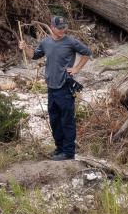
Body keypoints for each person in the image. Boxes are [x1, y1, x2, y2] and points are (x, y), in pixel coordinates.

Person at [18, 15, 92, 161]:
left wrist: (76, 68)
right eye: (59, 28)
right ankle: (59, 148)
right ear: (52, 27)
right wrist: (25, 48)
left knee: (67, 120)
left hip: (65, 86)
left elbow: (87, 53)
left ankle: (68, 152)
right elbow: (34, 55)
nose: (63, 30)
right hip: (51, 87)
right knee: (54, 120)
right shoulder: (45, 42)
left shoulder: (71, 42)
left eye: (64, 27)